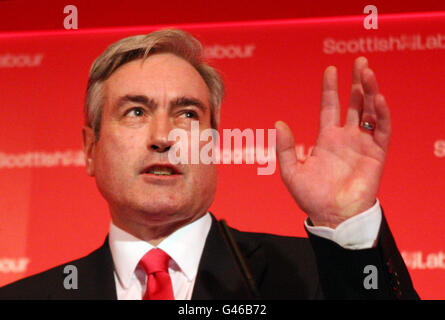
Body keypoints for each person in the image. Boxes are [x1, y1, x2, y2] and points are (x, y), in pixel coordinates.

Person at [0, 28, 418, 300]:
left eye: (187, 114)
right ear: (90, 148)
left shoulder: (311, 277)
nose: (164, 138)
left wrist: (346, 221)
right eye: (135, 112)